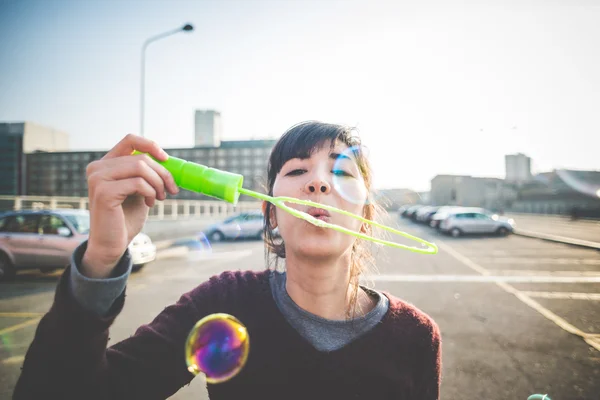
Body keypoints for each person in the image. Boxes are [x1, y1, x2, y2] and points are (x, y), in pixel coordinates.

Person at [13, 121, 442, 400]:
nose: (317, 182)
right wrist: (102, 259)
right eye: (297, 171)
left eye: (342, 172)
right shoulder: (223, 301)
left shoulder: (415, 337)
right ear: (271, 215)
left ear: (365, 217)